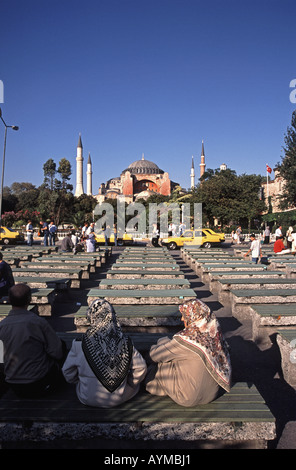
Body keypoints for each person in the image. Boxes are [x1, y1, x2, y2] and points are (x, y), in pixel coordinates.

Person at [144, 298, 231, 407]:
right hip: (211, 396)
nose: (181, 319)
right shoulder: (214, 336)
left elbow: (155, 355)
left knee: (163, 362)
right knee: (174, 357)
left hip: (187, 398)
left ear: (193, 316)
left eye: (184, 315)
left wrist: (160, 342)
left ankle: (149, 384)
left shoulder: (188, 340)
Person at [62, 299, 147, 408]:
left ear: (91, 317)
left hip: (87, 397)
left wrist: (83, 381)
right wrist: (131, 383)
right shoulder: (124, 341)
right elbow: (141, 368)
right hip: (119, 398)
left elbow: (67, 372)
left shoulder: (79, 344)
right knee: (136, 387)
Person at [0, 284, 66, 398]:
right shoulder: (38, 323)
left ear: (9, 300)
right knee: (62, 346)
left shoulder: (2, 326)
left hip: (13, 384)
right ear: (30, 299)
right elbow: (57, 352)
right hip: (39, 382)